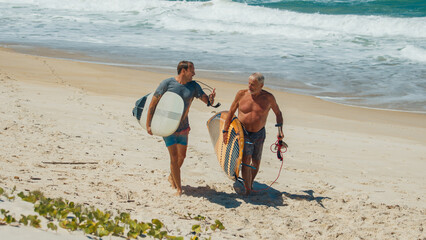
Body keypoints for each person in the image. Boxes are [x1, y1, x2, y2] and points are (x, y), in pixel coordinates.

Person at [146, 61, 215, 196]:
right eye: (192, 70)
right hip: (168, 126)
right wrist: (149, 124)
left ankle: (172, 176)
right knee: (174, 157)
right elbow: (153, 104)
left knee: (182, 156)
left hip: (183, 126)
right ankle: (178, 188)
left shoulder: (194, 86)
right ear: (183, 71)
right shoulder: (167, 84)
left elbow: (206, 101)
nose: (194, 73)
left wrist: (211, 99)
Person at [223, 72, 283, 195]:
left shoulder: (268, 98)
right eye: (249, 83)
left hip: (259, 133)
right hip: (243, 132)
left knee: (256, 161)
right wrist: (225, 130)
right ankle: (248, 188)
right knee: (246, 159)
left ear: (261, 85)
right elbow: (231, 112)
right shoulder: (241, 94)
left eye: (253, 85)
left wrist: (280, 131)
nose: (250, 86)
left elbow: (278, 113)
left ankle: (249, 182)